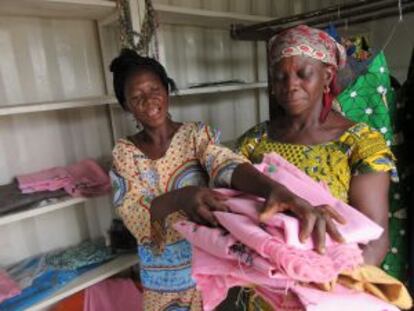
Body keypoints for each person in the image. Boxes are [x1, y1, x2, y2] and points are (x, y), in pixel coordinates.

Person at [109, 48, 344, 311]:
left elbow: (224, 163)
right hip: (162, 281)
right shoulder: (125, 153)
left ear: (166, 89)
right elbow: (133, 214)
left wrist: (273, 189)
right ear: (126, 105)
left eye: (154, 90)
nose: (149, 101)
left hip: (208, 270)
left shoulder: (196, 136)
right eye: (137, 96)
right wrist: (181, 198)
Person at [236, 25, 397, 310]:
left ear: (327, 76)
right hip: (267, 291)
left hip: (330, 290)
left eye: (302, 73)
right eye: (280, 76)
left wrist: (324, 288)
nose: (290, 85)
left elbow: (376, 237)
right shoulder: (253, 142)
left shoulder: (359, 143)